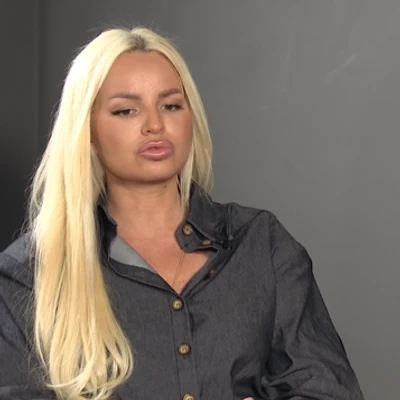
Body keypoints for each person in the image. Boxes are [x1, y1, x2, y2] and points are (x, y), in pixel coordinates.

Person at [0, 26, 364, 400]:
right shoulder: (29, 275)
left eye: (171, 105)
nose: (155, 125)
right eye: (126, 110)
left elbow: (328, 389)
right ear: (87, 133)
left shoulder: (262, 245)